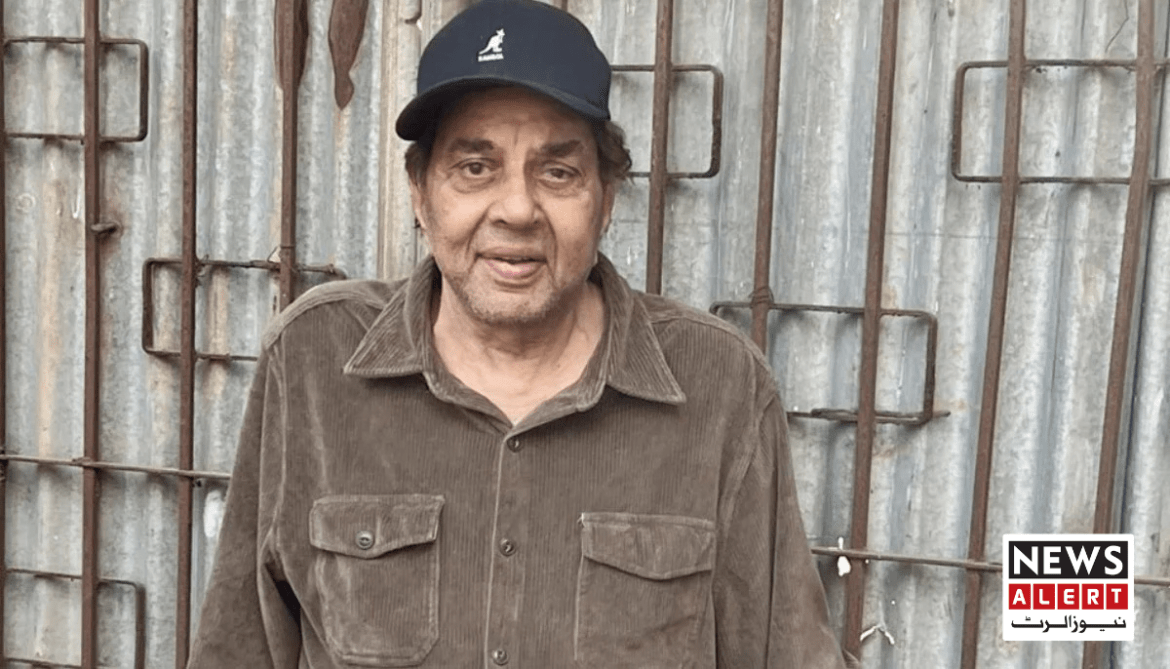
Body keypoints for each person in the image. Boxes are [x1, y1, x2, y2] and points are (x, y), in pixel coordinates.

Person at [187, 0, 849, 666]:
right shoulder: (313, 363)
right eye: (475, 167)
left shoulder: (720, 387)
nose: (516, 209)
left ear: (606, 196)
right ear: (420, 191)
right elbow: (239, 645)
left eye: (557, 172)